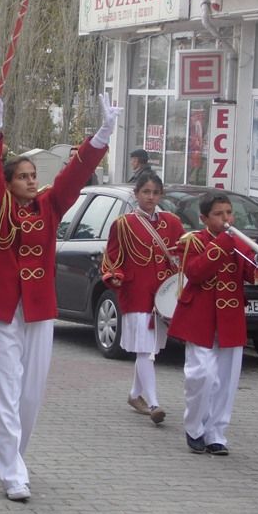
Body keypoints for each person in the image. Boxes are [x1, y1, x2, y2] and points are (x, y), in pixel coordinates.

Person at [0, 91, 117, 502]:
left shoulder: (49, 206)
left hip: (38, 307)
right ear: (8, 182)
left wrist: (102, 135)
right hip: (2, 307)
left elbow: (74, 174)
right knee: (6, 388)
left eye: (34, 174)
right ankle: (12, 472)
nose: (31, 180)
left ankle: (14, 456)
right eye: (22, 176)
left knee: (31, 392)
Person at [168, 192, 258, 456]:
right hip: (199, 317)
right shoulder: (194, 242)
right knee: (201, 375)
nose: (226, 219)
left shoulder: (238, 242)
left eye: (229, 213)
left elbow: (251, 275)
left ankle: (216, 434)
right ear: (204, 218)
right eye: (219, 214)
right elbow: (196, 273)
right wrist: (224, 242)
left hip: (231, 318)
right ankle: (194, 428)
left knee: (226, 380)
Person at [101, 171, 185, 425]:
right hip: (136, 291)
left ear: (161, 195)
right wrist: (114, 275)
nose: (151, 197)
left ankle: (134, 394)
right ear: (136, 194)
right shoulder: (123, 223)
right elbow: (112, 256)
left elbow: (183, 254)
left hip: (163, 295)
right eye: (146, 192)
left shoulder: (172, 222)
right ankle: (154, 403)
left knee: (150, 349)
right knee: (145, 349)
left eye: (155, 192)